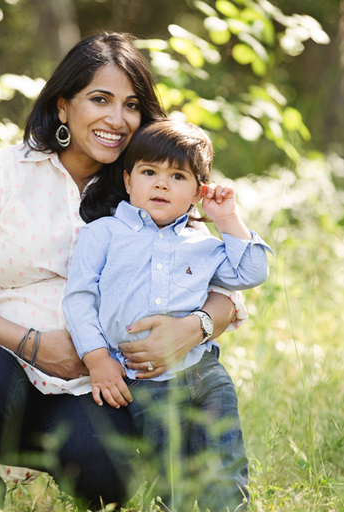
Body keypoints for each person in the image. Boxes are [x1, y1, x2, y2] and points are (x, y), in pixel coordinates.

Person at [0, 33, 249, 509]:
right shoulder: (1, 174)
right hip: (1, 363)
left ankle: (65, 467)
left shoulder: (148, 182)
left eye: (131, 104)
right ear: (63, 105)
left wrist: (191, 329)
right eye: (99, 99)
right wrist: (34, 343)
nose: (117, 119)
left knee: (109, 480)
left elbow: (226, 289)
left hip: (97, 386)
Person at [62, 119, 273, 511]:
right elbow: (78, 300)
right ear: (127, 181)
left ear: (198, 192)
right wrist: (97, 358)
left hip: (205, 375)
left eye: (177, 176)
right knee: (170, 474)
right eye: (149, 172)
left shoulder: (203, 244)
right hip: (148, 380)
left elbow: (251, 273)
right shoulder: (103, 234)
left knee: (224, 465)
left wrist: (227, 218)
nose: (161, 184)